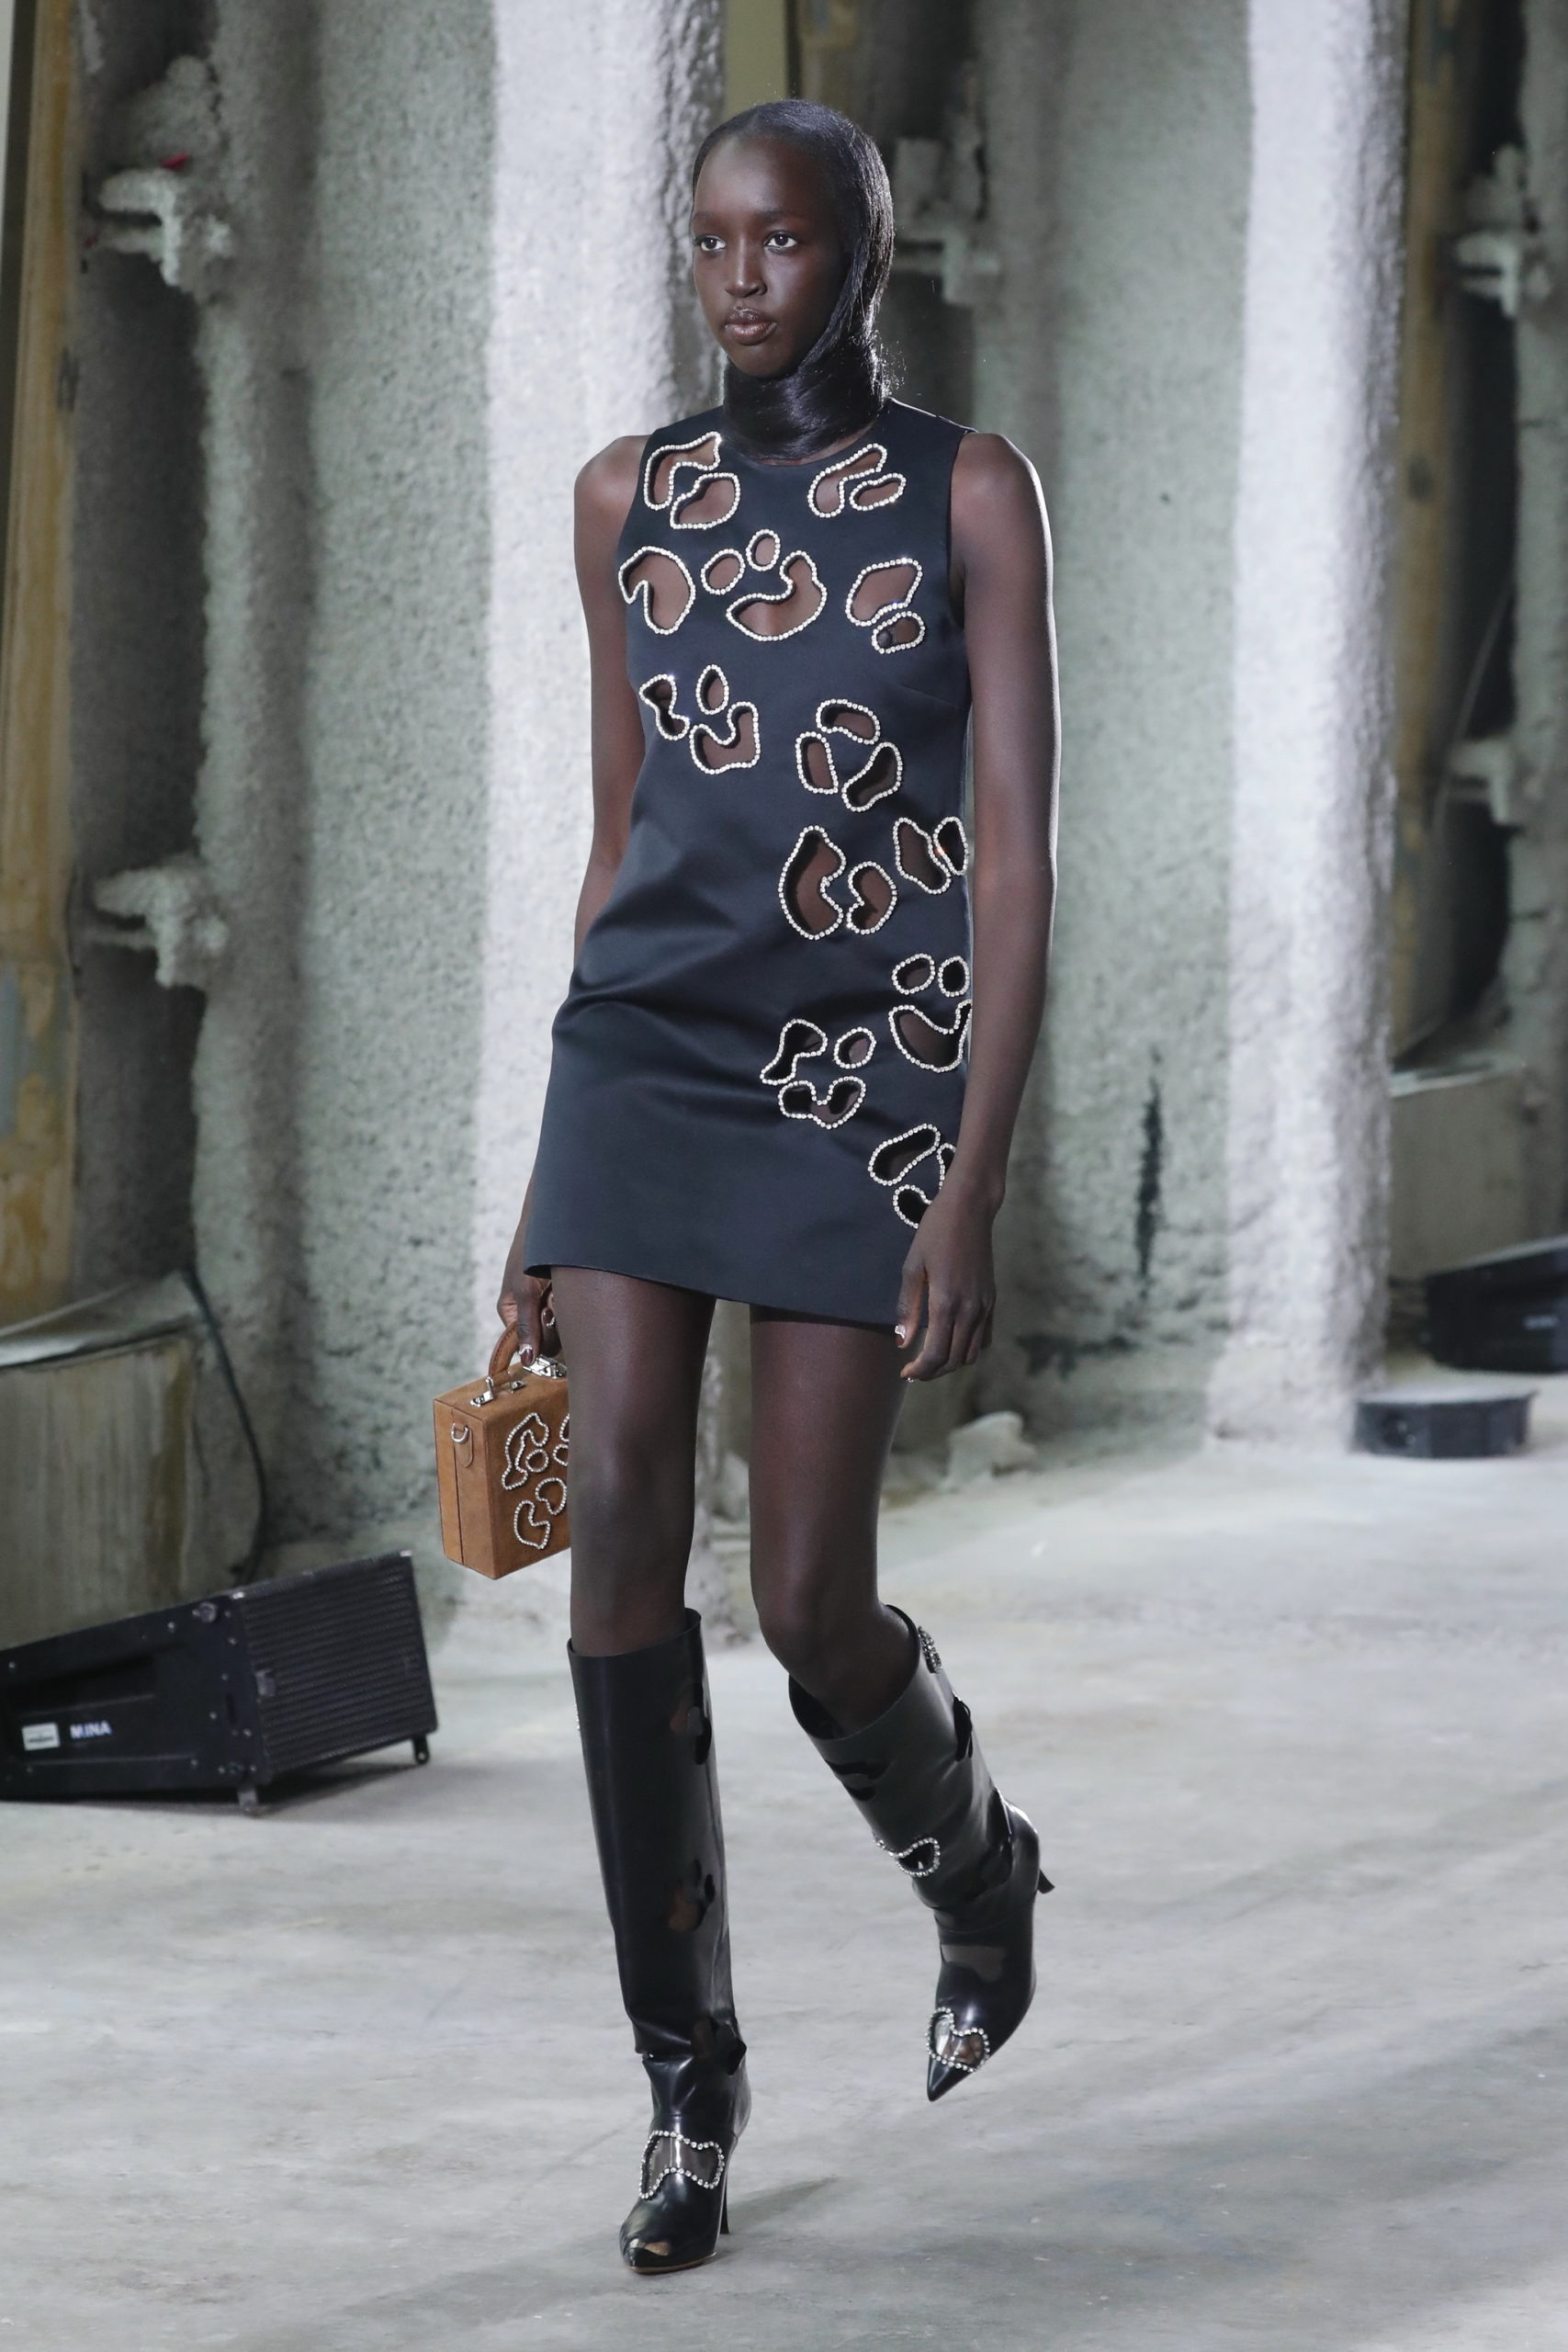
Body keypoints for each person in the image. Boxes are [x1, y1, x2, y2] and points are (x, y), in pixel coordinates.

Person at [498, 96, 1059, 2276]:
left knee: (813, 1598)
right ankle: (686, 2082)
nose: (742, 281)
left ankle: (975, 1868)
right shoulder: (624, 499)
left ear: (863, 253)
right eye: (714, 242)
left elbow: (1009, 865)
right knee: (619, 1528)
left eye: (785, 242)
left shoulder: (966, 492)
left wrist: (968, 1180)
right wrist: (547, 1185)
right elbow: (618, 830)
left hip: (864, 1076)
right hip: (644, 1057)